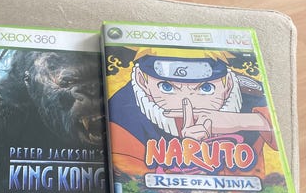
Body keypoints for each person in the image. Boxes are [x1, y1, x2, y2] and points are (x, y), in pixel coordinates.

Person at [108, 52, 277, 176]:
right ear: (141, 81)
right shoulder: (122, 113)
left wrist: (244, 121)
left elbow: (282, 143)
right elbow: (138, 184)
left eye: (206, 88)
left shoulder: (252, 95)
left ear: (227, 85)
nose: (187, 101)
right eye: (167, 87)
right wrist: (189, 153)